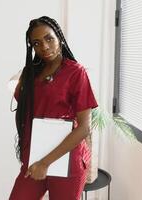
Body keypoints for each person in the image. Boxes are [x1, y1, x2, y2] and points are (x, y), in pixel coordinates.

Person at [9, 16, 98, 200]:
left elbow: (84, 128)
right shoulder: (30, 73)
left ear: (59, 36)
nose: (45, 47)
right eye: (36, 43)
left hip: (66, 161)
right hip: (35, 156)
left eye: (49, 38)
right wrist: (22, 78)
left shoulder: (76, 72)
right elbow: (25, 106)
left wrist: (45, 163)